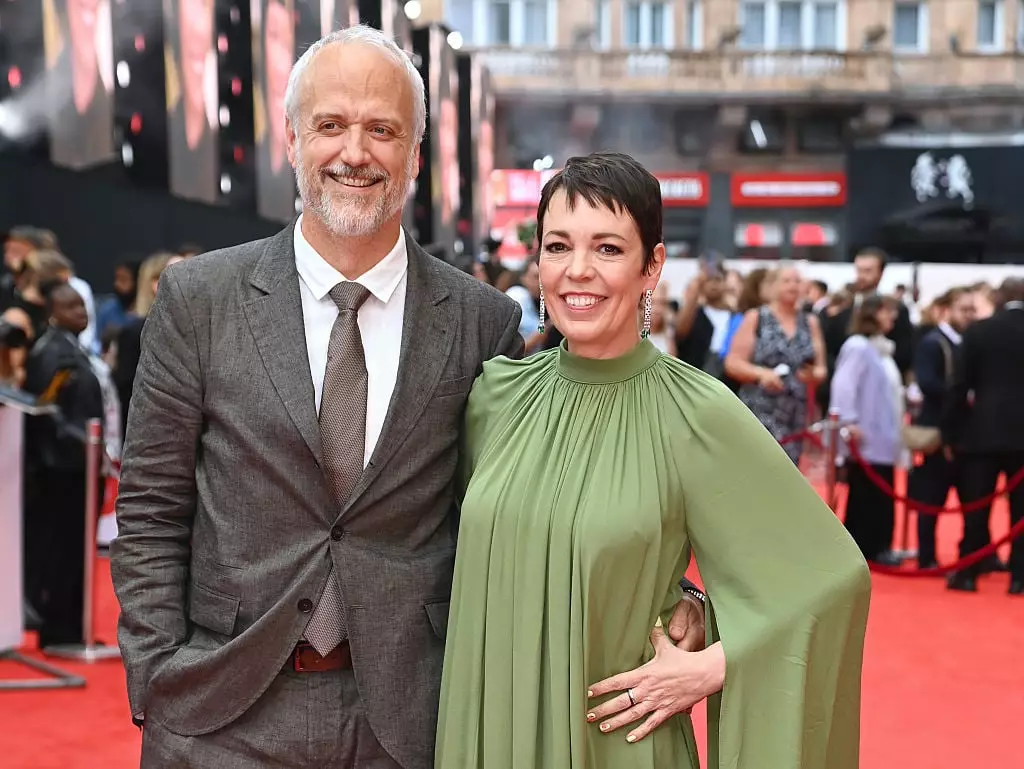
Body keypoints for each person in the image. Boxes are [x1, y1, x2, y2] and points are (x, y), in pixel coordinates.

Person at [111, 27, 704, 769]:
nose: (354, 152)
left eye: (382, 129)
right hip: (221, 712)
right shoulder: (200, 299)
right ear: (292, 142)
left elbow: (532, 494)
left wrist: (676, 589)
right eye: (330, 125)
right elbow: (149, 509)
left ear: (415, 156)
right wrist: (158, 674)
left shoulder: (482, 321)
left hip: (410, 718)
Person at [435, 152, 871, 769]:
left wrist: (716, 661)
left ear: (652, 266)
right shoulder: (495, 395)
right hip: (490, 730)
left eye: (608, 249)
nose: (576, 271)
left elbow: (830, 579)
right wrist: (687, 595)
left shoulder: (697, 412)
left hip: (617, 742)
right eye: (558, 246)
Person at [22, 281, 105, 648]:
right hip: (62, 469)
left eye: (83, 307)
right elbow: (46, 410)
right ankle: (59, 628)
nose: (81, 313)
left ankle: (73, 626)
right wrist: (81, 443)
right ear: (53, 312)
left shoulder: (73, 348)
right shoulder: (50, 351)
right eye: (71, 307)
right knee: (61, 549)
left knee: (76, 550)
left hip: (81, 466)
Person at [942, 278, 1024, 595]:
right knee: (1021, 513)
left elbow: (958, 387)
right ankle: (1019, 577)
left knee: (975, 507)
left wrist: (950, 432)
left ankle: (968, 572)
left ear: (1000, 299)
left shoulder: (978, 331)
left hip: (981, 434)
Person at [829, 295, 904, 566]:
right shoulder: (858, 346)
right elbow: (844, 384)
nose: (892, 317)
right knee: (867, 495)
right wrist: (849, 421)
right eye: (888, 310)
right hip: (866, 437)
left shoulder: (876, 348)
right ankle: (867, 546)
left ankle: (876, 545)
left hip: (880, 436)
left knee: (878, 493)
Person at [725, 264, 827, 464]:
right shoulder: (757, 317)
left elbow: (821, 368)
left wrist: (813, 375)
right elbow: (733, 362)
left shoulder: (810, 322)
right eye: (786, 281)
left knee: (789, 471)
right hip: (760, 409)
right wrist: (761, 374)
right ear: (773, 285)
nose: (792, 286)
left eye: (797, 281)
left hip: (795, 412)